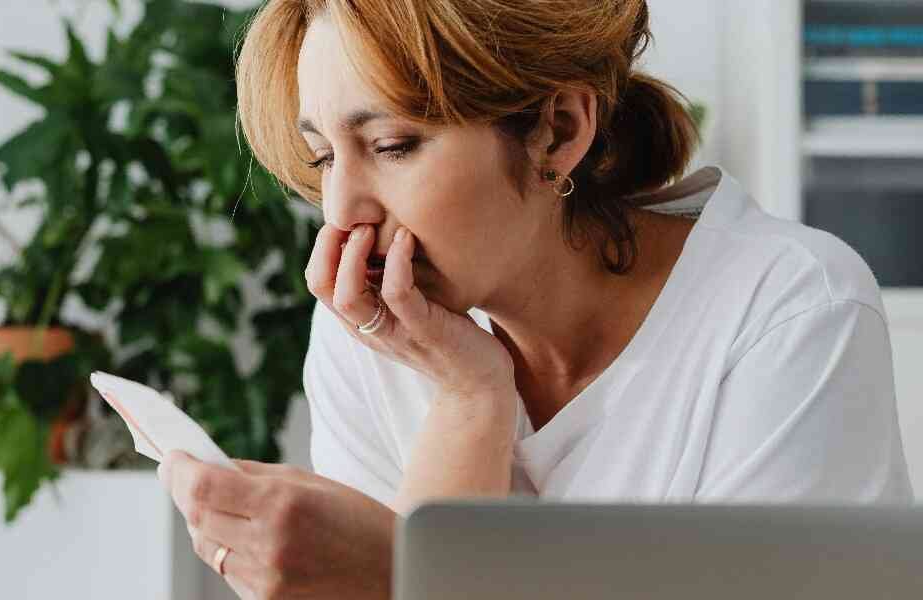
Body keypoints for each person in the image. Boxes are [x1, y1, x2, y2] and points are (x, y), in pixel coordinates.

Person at [156, 1, 915, 598]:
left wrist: (396, 575)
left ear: (558, 131)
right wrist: (470, 398)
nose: (343, 209)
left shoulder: (788, 311)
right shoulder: (368, 332)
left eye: (391, 146)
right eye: (324, 157)